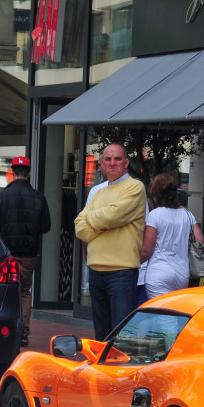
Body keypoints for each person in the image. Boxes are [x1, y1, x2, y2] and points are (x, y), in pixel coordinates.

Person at [74, 143, 146, 340]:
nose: (113, 163)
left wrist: (96, 219)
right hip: (96, 270)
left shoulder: (135, 187)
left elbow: (113, 216)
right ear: (102, 164)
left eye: (118, 159)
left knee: (121, 336)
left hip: (121, 271)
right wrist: (104, 222)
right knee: (101, 336)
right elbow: (79, 228)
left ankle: (121, 371)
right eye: (108, 159)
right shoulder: (98, 192)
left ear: (126, 163)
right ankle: (104, 371)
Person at [0, 156, 51, 347]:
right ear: (29, 173)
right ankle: (24, 333)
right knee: (25, 291)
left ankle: (3, 330)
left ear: (12, 172)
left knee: (3, 291)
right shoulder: (39, 197)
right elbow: (46, 226)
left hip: (6, 253)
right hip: (28, 253)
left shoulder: (0, 198)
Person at [140, 173, 201, 300]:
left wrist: (132, 264)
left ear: (156, 194)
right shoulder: (188, 215)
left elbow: (146, 250)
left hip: (159, 273)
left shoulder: (155, 215)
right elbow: (200, 241)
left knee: (160, 315)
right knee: (176, 313)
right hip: (182, 274)